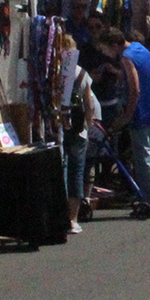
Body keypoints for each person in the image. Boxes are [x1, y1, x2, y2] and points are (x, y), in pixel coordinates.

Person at [97, 28, 150, 219]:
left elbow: (135, 89)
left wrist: (126, 115)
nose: (105, 53)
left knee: (144, 159)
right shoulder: (140, 48)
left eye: (105, 49)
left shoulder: (127, 58)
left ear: (113, 45)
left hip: (142, 114)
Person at [59, 35, 96, 234]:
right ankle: (73, 219)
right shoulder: (81, 73)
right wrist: (88, 127)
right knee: (76, 172)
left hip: (57, 129)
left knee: (61, 171)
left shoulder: (54, 72)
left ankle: (60, 215)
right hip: (78, 129)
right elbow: (88, 104)